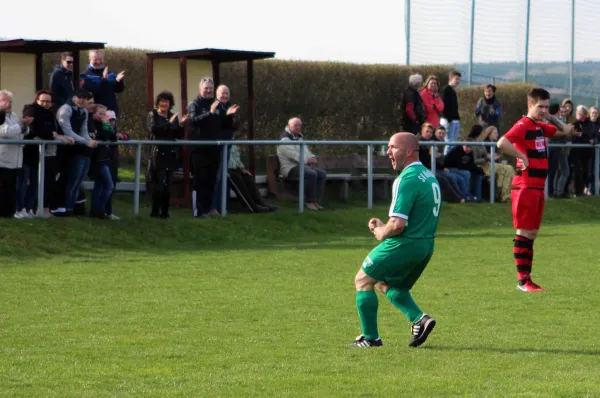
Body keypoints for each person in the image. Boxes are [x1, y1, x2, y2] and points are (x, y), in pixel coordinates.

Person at [348, 133, 440, 348]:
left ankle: (370, 338)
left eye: (392, 147)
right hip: (425, 245)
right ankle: (420, 319)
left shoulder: (406, 179)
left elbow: (398, 225)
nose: (388, 152)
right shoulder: (428, 175)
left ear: (408, 151)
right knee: (385, 283)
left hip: (405, 244)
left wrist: (381, 232)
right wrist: (384, 225)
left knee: (362, 280)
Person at [496, 88, 578, 292]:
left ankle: (527, 279)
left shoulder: (540, 126)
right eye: (539, 106)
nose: (543, 110)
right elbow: (502, 143)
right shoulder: (523, 124)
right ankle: (523, 281)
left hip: (537, 186)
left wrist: (549, 116)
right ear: (529, 105)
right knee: (524, 232)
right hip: (525, 186)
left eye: (546, 106)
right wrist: (521, 156)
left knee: (531, 234)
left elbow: (566, 129)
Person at [147, 91, 186, 218]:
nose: (164, 104)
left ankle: (165, 212)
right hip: (157, 153)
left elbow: (177, 135)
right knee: (159, 183)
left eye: (167, 101)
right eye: (162, 101)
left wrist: (180, 125)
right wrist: (169, 123)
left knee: (168, 184)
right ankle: (154, 211)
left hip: (170, 153)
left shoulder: (172, 116)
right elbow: (154, 130)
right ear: (158, 103)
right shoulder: (153, 114)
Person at [187, 77, 221, 218]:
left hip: (213, 149)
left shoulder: (216, 104)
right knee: (200, 181)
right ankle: (198, 212)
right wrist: (210, 113)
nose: (208, 91)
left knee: (211, 181)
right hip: (199, 150)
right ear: (200, 89)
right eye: (206, 88)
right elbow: (193, 121)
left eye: (210, 89)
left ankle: (207, 210)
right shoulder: (194, 104)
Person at [277, 117, 327, 210]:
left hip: (302, 166)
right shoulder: (284, 139)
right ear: (289, 126)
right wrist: (306, 160)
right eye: (295, 125)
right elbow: (293, 155)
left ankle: (316, 201)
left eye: (299, 125)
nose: (298, 127)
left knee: (322, 174)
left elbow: (306, 151)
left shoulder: (299, 138)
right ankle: (309, 201)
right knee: (311, 173)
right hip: (290, 169)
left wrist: (312, 157)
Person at [0, 90, 33, 218]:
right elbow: (5, 132)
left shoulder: (13, 115)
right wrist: (21, 125)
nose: (8, 103)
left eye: (10, 101)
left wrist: (25, 126)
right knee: (3, 188)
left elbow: (21, 132)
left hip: (15, 158)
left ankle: (9, 212)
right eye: (5, 101)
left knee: (11, 188)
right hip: (3, 158)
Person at [228, 145, 277, 212]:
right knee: (237, 179)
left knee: (248, 177)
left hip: (236, 168)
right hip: (225, 170)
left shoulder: (232, 144)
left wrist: (242, 168)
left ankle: (260, 203)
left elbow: (237, 158)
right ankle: (250, 206)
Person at [80, 50, 125, 116]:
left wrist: (118, 81)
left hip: (111, 115)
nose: (98, 62)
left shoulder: (111, 74)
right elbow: (91, 92)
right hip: (95, 116)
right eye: (95, 59)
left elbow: (118, 90)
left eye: (100, 59)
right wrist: (103, 80)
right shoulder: (85, 76)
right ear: (89, 59)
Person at [441, 70, 462, 154]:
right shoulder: (446, 90)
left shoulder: (453, 90)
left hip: (454, 120)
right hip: (449, 120)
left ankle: (450, 162)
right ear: (450, 78)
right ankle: (446, 163)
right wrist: (449, 119)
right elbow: (445, 106)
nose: (458, 82)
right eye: (456, 79)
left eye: (459, 80)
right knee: (449, 143)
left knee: (453, 144)